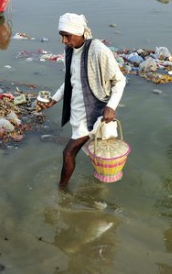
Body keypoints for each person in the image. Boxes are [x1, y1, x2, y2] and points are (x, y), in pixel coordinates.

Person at [38, 13, 126, 186]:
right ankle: (99, 188)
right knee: (96, 153)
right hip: (78, 111)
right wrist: (54, 100)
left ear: (79, 32)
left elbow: (120, 80)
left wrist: (111, 106)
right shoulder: (71, 51)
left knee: (68, 153)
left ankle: (62, 191)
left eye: (67, 36)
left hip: (94, 112)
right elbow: (71, 82)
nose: (63, 41)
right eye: (61, 36)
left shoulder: (98, 50)